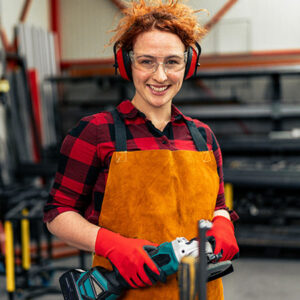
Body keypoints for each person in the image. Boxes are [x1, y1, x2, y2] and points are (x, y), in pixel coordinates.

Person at [44, 0, 239, 299]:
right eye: (146, 61)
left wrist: (223, 225)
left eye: (172, 62)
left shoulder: (203, 136)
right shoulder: (95, 132)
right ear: (126, 63)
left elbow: (217, 206)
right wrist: (114, 246)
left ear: (187, 65)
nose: (160, 76)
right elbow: (58, 213)